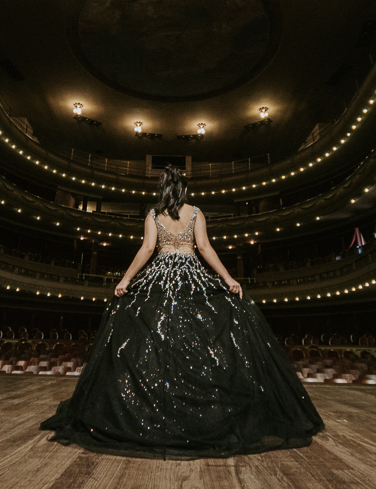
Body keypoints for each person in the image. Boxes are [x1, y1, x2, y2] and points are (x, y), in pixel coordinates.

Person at [41, 165, 324, 459]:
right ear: (185, 189)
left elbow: (148, 248)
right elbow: (204, 247)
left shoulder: (152, 214)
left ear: (162, 189)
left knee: (151, 341)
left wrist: (126, 280)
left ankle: (153, 416)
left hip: (159, 278)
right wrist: (228, 279)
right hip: (192, 276)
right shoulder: (197, 213)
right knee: (200, 342)